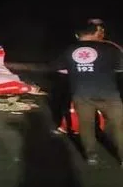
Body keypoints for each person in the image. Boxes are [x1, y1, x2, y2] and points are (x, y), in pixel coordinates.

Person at [53, 23, 123, 166]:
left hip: (82, 93)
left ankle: (91, 156)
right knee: (119, 126)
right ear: (95, 33)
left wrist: (78, 71)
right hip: (109, 93)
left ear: (78, 35)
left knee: (86, 125)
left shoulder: (69, 49)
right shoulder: (110, 48)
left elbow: (59, 69)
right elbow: (120, 68)